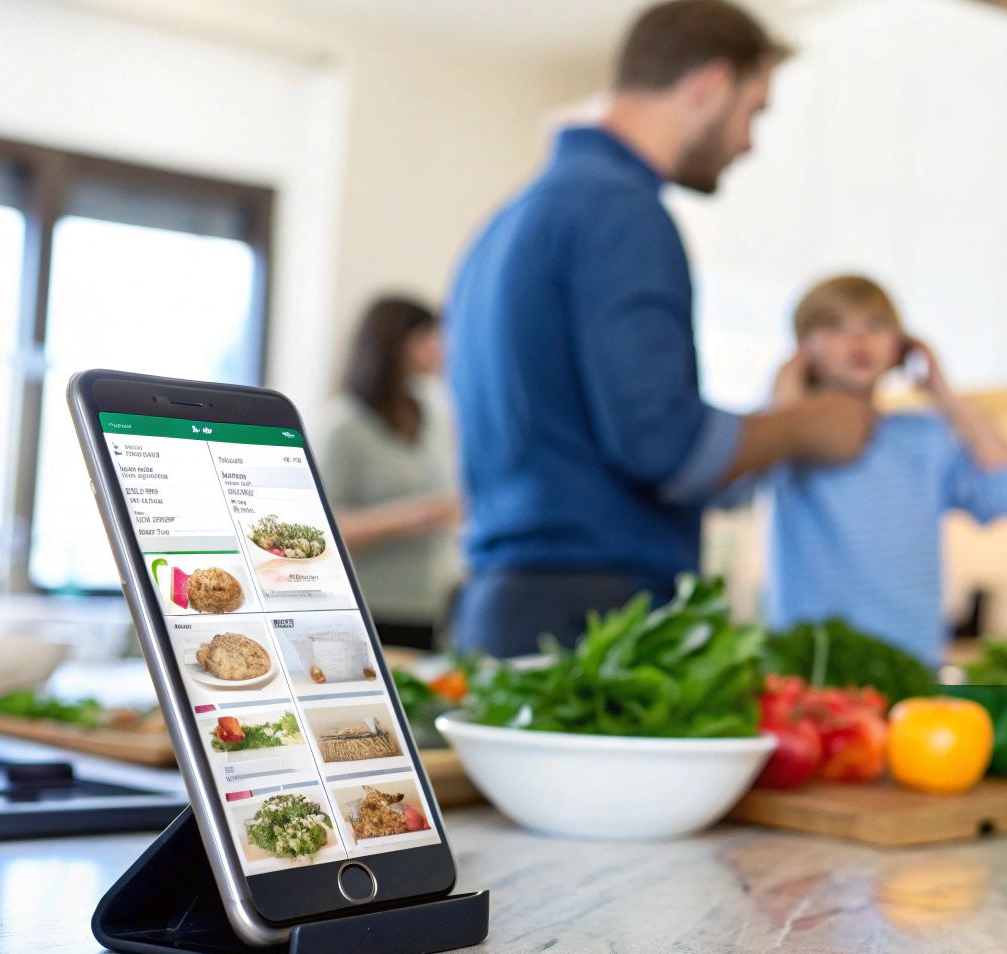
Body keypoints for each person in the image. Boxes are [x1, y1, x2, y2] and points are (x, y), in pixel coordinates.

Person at [446, 0, 876, 656]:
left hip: (505, 608)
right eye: (753, 111)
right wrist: (809, 424)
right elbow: (660, 444)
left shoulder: (510, 219)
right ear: (709, 85)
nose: (749, 142)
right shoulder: (622, 210)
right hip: (595, 621)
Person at [727, 275, 1007, 667]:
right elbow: (731, 492)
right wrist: (785, 404)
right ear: (803, 351)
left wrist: (943, 393)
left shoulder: (925, 437)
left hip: (912, 663)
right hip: (810, 667)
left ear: (901, 347)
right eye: (834, 326)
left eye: (876, 326)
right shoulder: (790, 439)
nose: (859, 341)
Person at [321, 295, 461, 651]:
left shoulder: (430, 415)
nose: (441, 346)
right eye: (430, 336)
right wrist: (410, 516)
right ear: (399, 343)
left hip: (430, 606)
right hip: (369, 607)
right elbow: (321, 528)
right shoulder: (345, 425)